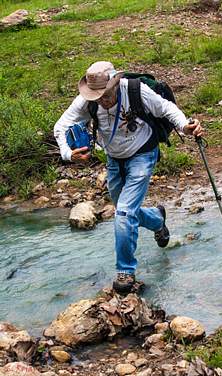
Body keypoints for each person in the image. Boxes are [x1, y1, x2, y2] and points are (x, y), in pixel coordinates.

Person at [54, 61, 203, 294]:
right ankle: (156, 219)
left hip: (143, 153)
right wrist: (68, 154)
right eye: (97, 97)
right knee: (126, 211)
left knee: (123, 212)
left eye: (105, 94)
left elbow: (166, 109)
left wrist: (186, 126)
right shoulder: (87, 100)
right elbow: (61, 126)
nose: (101, 100)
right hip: (114, 159)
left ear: (115, 84)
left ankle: (125, 271)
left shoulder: (134, 90)